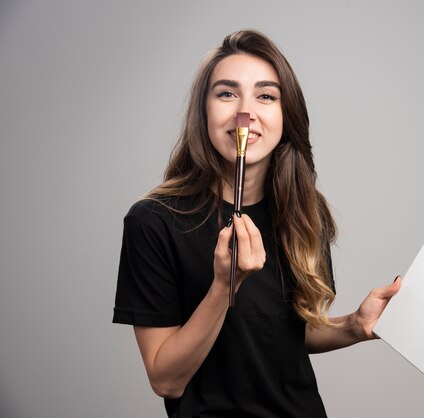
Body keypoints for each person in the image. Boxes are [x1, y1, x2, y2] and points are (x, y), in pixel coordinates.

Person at [112, 29, 402, 418]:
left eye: (266, 95)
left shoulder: (304, 211)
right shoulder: (153, 222)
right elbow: (166, 380)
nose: (243, 112)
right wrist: (223, 285)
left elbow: (281, 331)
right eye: (226, 93)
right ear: (204, 113)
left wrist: (353, 326)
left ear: (286, 116)